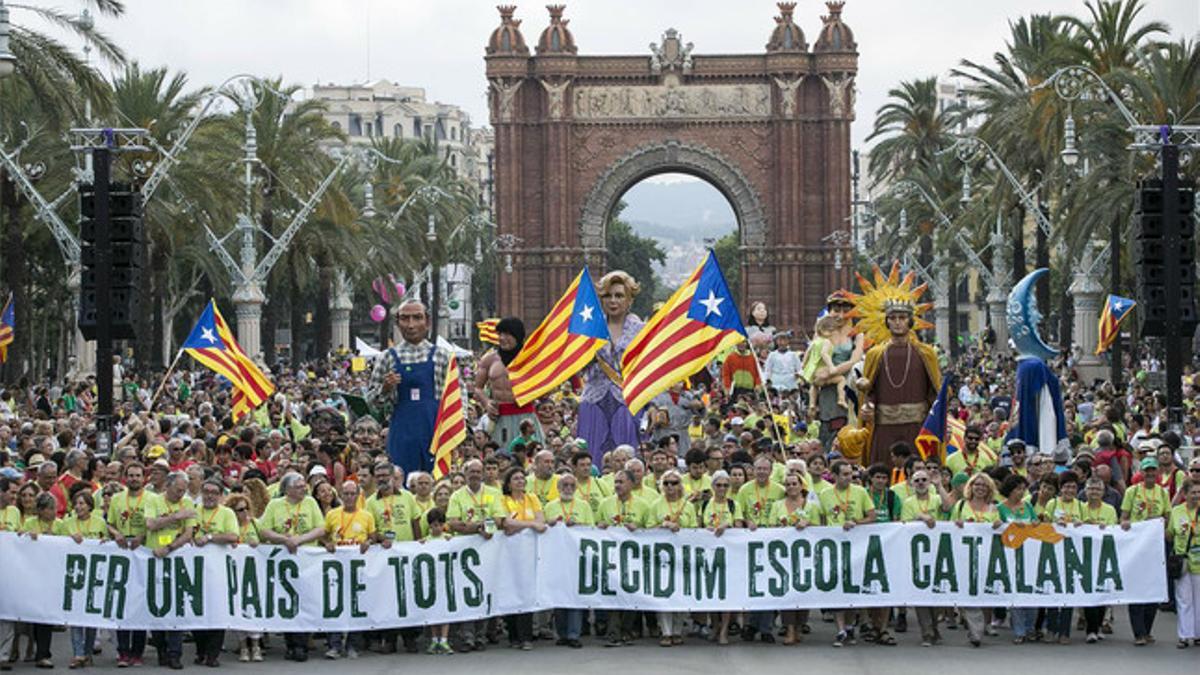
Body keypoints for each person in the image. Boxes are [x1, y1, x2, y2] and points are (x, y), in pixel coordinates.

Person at [367, 301, 454, 474]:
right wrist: (385, 389)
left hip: (436, 432)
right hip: (402, 433)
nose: (411, 324)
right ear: (398, 323)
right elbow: (370, 402)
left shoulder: (443, 356)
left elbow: (459, 396)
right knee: (402, 480)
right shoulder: (386, 357)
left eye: (417, 318)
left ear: (427, 321)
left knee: (438, 483)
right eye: (405, 319)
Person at [860, 302, 941, 466]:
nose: (897, 322)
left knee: (917, 472)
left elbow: (934, 391)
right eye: (893, 318)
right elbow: (870, 391)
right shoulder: (875, 354)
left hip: (917, 425)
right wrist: (867, 405)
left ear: (910, 321)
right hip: (885, 426)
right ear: (887, 322)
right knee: (883, 472)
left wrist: (940, 416)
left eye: (902, 318)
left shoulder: (925, 353)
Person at [258, 473, 326, 662]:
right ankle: (291, 643)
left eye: (304, 485)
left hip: (307, 561)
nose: (303, 489)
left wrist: (299, 540)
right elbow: (264, 530)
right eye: (298, 486)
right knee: (288, 602)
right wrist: (284, 540)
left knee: (305, 601)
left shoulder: (311, 503)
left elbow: (320, 528)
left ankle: (301, 644)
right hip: (283, 561)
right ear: (287, 489)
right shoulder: (275, 505)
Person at [578, 271, 644, 463]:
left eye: (619, 295)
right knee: (591, 458)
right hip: (593, 401)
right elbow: (576, 366)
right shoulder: (589, 328)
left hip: (626, 402)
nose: (613, 301)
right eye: (607, 296)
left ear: (629, 299)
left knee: (626, 459)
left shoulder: (641, 331)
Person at [818, 460, 876, 647]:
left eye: (850, 474)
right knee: (837, 588)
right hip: (834, 548)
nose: (848, 477)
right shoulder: (825, 494)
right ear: (834, 476)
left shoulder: (860, 492)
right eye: (844, 474)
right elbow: (821, 520)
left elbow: (872, 516)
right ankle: (841, 629)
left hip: (856, 547)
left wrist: (857, 523)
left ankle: (850, 624)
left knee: (852, 588)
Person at [144, 472, 197, 670]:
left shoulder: (188, 504)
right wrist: (176, 516)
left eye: (184, 491)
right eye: (177, 490)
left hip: (176, 558)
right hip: (154, 558)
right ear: (168, 486)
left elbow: (188, 533)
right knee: (157, 606)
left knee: (176, 607)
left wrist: (170, 548)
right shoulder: (153, 500)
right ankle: (161, 651)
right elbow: (151, 524)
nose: (181, 495)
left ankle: (175, 653)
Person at [1120, 456, 1172, 646]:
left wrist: (1160, 524)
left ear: (1157, 472)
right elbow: (1124, 517)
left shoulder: (1163, 493)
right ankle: (1138, 633)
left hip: (1156, 548)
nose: (1150, 474)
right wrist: (1126, 523)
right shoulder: (1132, 492)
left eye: (1153, 470)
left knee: (1153, 589)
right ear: (1141, 473)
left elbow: (1167, 517)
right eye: (1146, 470)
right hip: (1137, 546)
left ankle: (1147, 630)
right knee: (1136, 589)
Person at [595, 470, 650, 647]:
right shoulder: (605, 503)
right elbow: (595, 526)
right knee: (612, 595)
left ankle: (627, 630)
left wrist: (639, 528)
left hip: (634, 558)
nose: (617, 485)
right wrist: (600, 526)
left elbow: (652, 530)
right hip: (611, 558)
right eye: (616, 482)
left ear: (632, 484)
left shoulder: (643, 505)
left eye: (622, 482)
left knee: (631, 594)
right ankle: (613, 632)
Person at [55, 487, 107, 669]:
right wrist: (70, 538)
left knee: (91, 618)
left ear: (90, 506)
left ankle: (88, 651)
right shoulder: (66, 523)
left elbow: (107, 543)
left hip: (94, 575)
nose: (78, 507)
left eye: (82, 503)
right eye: (76, 503)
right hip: (74, 574)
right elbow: (58, 545)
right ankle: (78, 653)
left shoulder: (100, 522)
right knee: (76, 616)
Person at [323, 480, 374, 659]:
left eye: (353, 494)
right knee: (335, 606)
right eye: (346, 494)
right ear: (341, 495)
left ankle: (353, 644)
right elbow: (324, 535)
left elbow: (373, 536)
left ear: (358, 495)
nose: (350, 497)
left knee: (356, 605)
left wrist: (368, 542)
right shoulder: (332, 515)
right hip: (336, 568)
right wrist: (327, 544)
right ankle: (334, 645)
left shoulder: (367, 516)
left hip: (358, 568)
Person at [951, 473, 1003, 647]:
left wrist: (998, 525)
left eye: (984, 485)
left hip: (986, 558)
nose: (980, 488)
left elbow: (1000, 530)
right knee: (968, 592)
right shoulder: (960, 506)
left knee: (983, 592)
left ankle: (980, 626)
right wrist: (957, 524)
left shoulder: (993, 509)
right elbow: (950, 528)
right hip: (965, 556)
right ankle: (976, 631)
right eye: (976, 485)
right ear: (970, 487)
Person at [474, 317, 544, 446]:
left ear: (517, 336)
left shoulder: (531, 358)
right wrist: (486, 402)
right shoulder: (489, 359)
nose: (502, 338)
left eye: (507, 334)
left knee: (531, 457)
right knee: (499, 458)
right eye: (500, 334)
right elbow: (477, 388)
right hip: (499, 417)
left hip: (526, 417)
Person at [106, 462, 150, 667]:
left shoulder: (153, 499)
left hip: (143, 551)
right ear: (125, 477)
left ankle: (137, 652)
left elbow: (157, 523)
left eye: (137, 475)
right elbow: (110, 524)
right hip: (123, 552)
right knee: (122, 602)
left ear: (144, 478)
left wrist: (143, 535)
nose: (134, 478)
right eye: (130, 475)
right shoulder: (116, 499)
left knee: (140, 603)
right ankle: (123, 651)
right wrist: (116, 534)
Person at [647, 470, 697, 647]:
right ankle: (666, 631)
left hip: (682, 556)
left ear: (680, 486)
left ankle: (677, 630)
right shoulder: (655, 505)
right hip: (662, 557)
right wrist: (664, 525)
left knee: (680, 593)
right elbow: (648, 529)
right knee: (664, 593)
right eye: (666, 483)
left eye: (674, 483)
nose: (670, 486)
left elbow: (694, 529)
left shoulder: (688, 506)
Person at [192, 479, 238, 667]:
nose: (209, 495)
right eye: (206, 491)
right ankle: (201, 651)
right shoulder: (194, 511)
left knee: (216, 611)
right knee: (197, 611)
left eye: (214, 492)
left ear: (220, 495)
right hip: (196, 570)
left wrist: (210, 537)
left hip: (218, 571)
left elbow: (233, 536)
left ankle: (213, 654)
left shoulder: (227, 513)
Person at [543, 473, 592, 649]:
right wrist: (551, 523)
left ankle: (573, 634)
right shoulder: (549, 506)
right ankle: (562, 633)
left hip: (576, 557)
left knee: (574, 597)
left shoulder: (584, 506)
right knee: (559, 596)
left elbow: (591, 530)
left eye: (572, 485)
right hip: (556, 557)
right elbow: (544, 528)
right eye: (565, 485)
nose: (568, 489)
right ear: (558, 487)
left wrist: (577, 525)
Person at [900, 469, 945, 647]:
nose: (920, 483)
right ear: (911, 483)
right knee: (921, 594)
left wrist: (939, 485)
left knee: (937, 593)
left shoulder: (936, 499)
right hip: (917, 554)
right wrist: (920, 516)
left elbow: (948, 507)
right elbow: (904, 525)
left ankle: (935, 627)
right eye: (916, 480)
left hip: (939, 552)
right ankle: (926, 632)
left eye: (924, 480)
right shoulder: (908, 503)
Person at [1079, 477, 1118, 644]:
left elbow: (1113, 530)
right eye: (1091, 489)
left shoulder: (1110, 510)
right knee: (1089, 593)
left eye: (1097, 489)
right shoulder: (1079, 508)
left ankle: (1099, 625)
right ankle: (1091, 630)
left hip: (1103, 555)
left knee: (1102, 592)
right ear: (1085, 491)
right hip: (1084, 556)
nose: (1094, 492)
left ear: (1103, 492)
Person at [1168, 480, 1200, 648]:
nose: (1196, 496)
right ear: (1185, 494)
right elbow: (1170, 534)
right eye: (1193, 492)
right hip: (1183, 561)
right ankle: (1184, 635)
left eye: (1198, 492)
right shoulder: (1177, 511)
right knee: (1183, 599)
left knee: (1199, 600)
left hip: (1199, 562)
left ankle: (1197, 634)